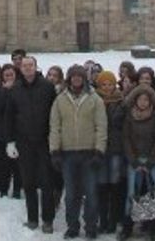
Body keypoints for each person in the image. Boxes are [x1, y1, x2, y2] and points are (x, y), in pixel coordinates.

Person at [49, 64, 108, 239]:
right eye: (73, 76)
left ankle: (91, 226)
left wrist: (99, 150)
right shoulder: (60, 99)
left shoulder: (94, 98)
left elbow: (101, 126)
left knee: (90, 193)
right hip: (67, 154)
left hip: (89, 152)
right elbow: (55, 127)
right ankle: (72, 226)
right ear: (69, 78)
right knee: (71, 194)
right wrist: (55, 150)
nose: (76, 79)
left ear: (83, 78)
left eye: (79, 76)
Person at [5, 55, 59, 233]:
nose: (27, 68)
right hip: (24, 142)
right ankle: (32, 218)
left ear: (36, 67)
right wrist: (10, 141)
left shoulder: (47, 87)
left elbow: (55, 115)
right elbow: (10, 117)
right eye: (25, 65)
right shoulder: (15, 89)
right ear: (20, 68)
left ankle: (48, 220)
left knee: (46, 182)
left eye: (31, 65)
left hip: (44, 141)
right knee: (28, 183)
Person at [120, 84, 155, 241]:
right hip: (134, 160)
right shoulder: (130, 117)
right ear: (135, 100)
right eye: (140, 99)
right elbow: (126, 139)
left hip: (153, 161)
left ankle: (154, 227)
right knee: (132, 193)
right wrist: (133, 160)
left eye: (146, 99)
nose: (143, 102)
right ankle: (127, 226)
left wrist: (151, 161)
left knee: (153, 193)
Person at [95, 70, 126, 234]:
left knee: (115, 185)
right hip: (100, 148)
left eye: (110, 84)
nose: (107, 88)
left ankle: (113, 219)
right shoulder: (94, 100)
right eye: (104, 84)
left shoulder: (121, 101)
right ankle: (103, 219)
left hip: (116, 148)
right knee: (101, 185)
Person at [0, 63, 20, 199]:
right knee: (1, 165)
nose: (9, 77)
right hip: (0, 134)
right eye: (6, 75)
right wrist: (4, 91)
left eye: (11, 75)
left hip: (18, 133)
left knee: (17, 165)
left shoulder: (21, 90)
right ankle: (0, 190)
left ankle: (17, 190)